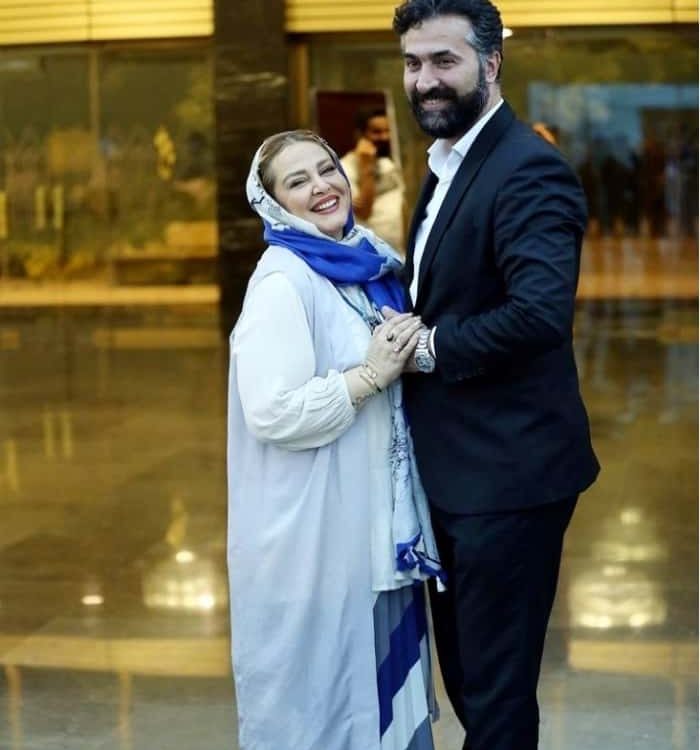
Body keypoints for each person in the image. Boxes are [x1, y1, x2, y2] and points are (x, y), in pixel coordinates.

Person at [384, 2, 601, 749]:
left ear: (491, 63)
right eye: (413, 63)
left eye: (444, 61)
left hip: (509, 477)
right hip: (458, 470)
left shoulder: (528, 168)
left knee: (496, 693)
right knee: (474, 682)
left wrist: (428, 349)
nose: (425, 80)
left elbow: (539, 314)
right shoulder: (448, 162)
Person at [227, 129, 447, 750]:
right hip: (321, 540)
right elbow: (271, 411)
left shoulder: (365, 260)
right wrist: (369, 376)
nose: (322, 187)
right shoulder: (284, 281)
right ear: (274, 204)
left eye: (327, 170)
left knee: (379, 705)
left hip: (372, 528)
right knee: (331, 706)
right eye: (297, 182)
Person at [341, 107, 406, 251]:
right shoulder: (345, 169)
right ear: (360, 135)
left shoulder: (387, 164)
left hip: (399, 253)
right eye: (377, 132)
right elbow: (364, 212)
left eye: (387, 131)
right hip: (371, 254)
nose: (385, 137)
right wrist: (366, 168)